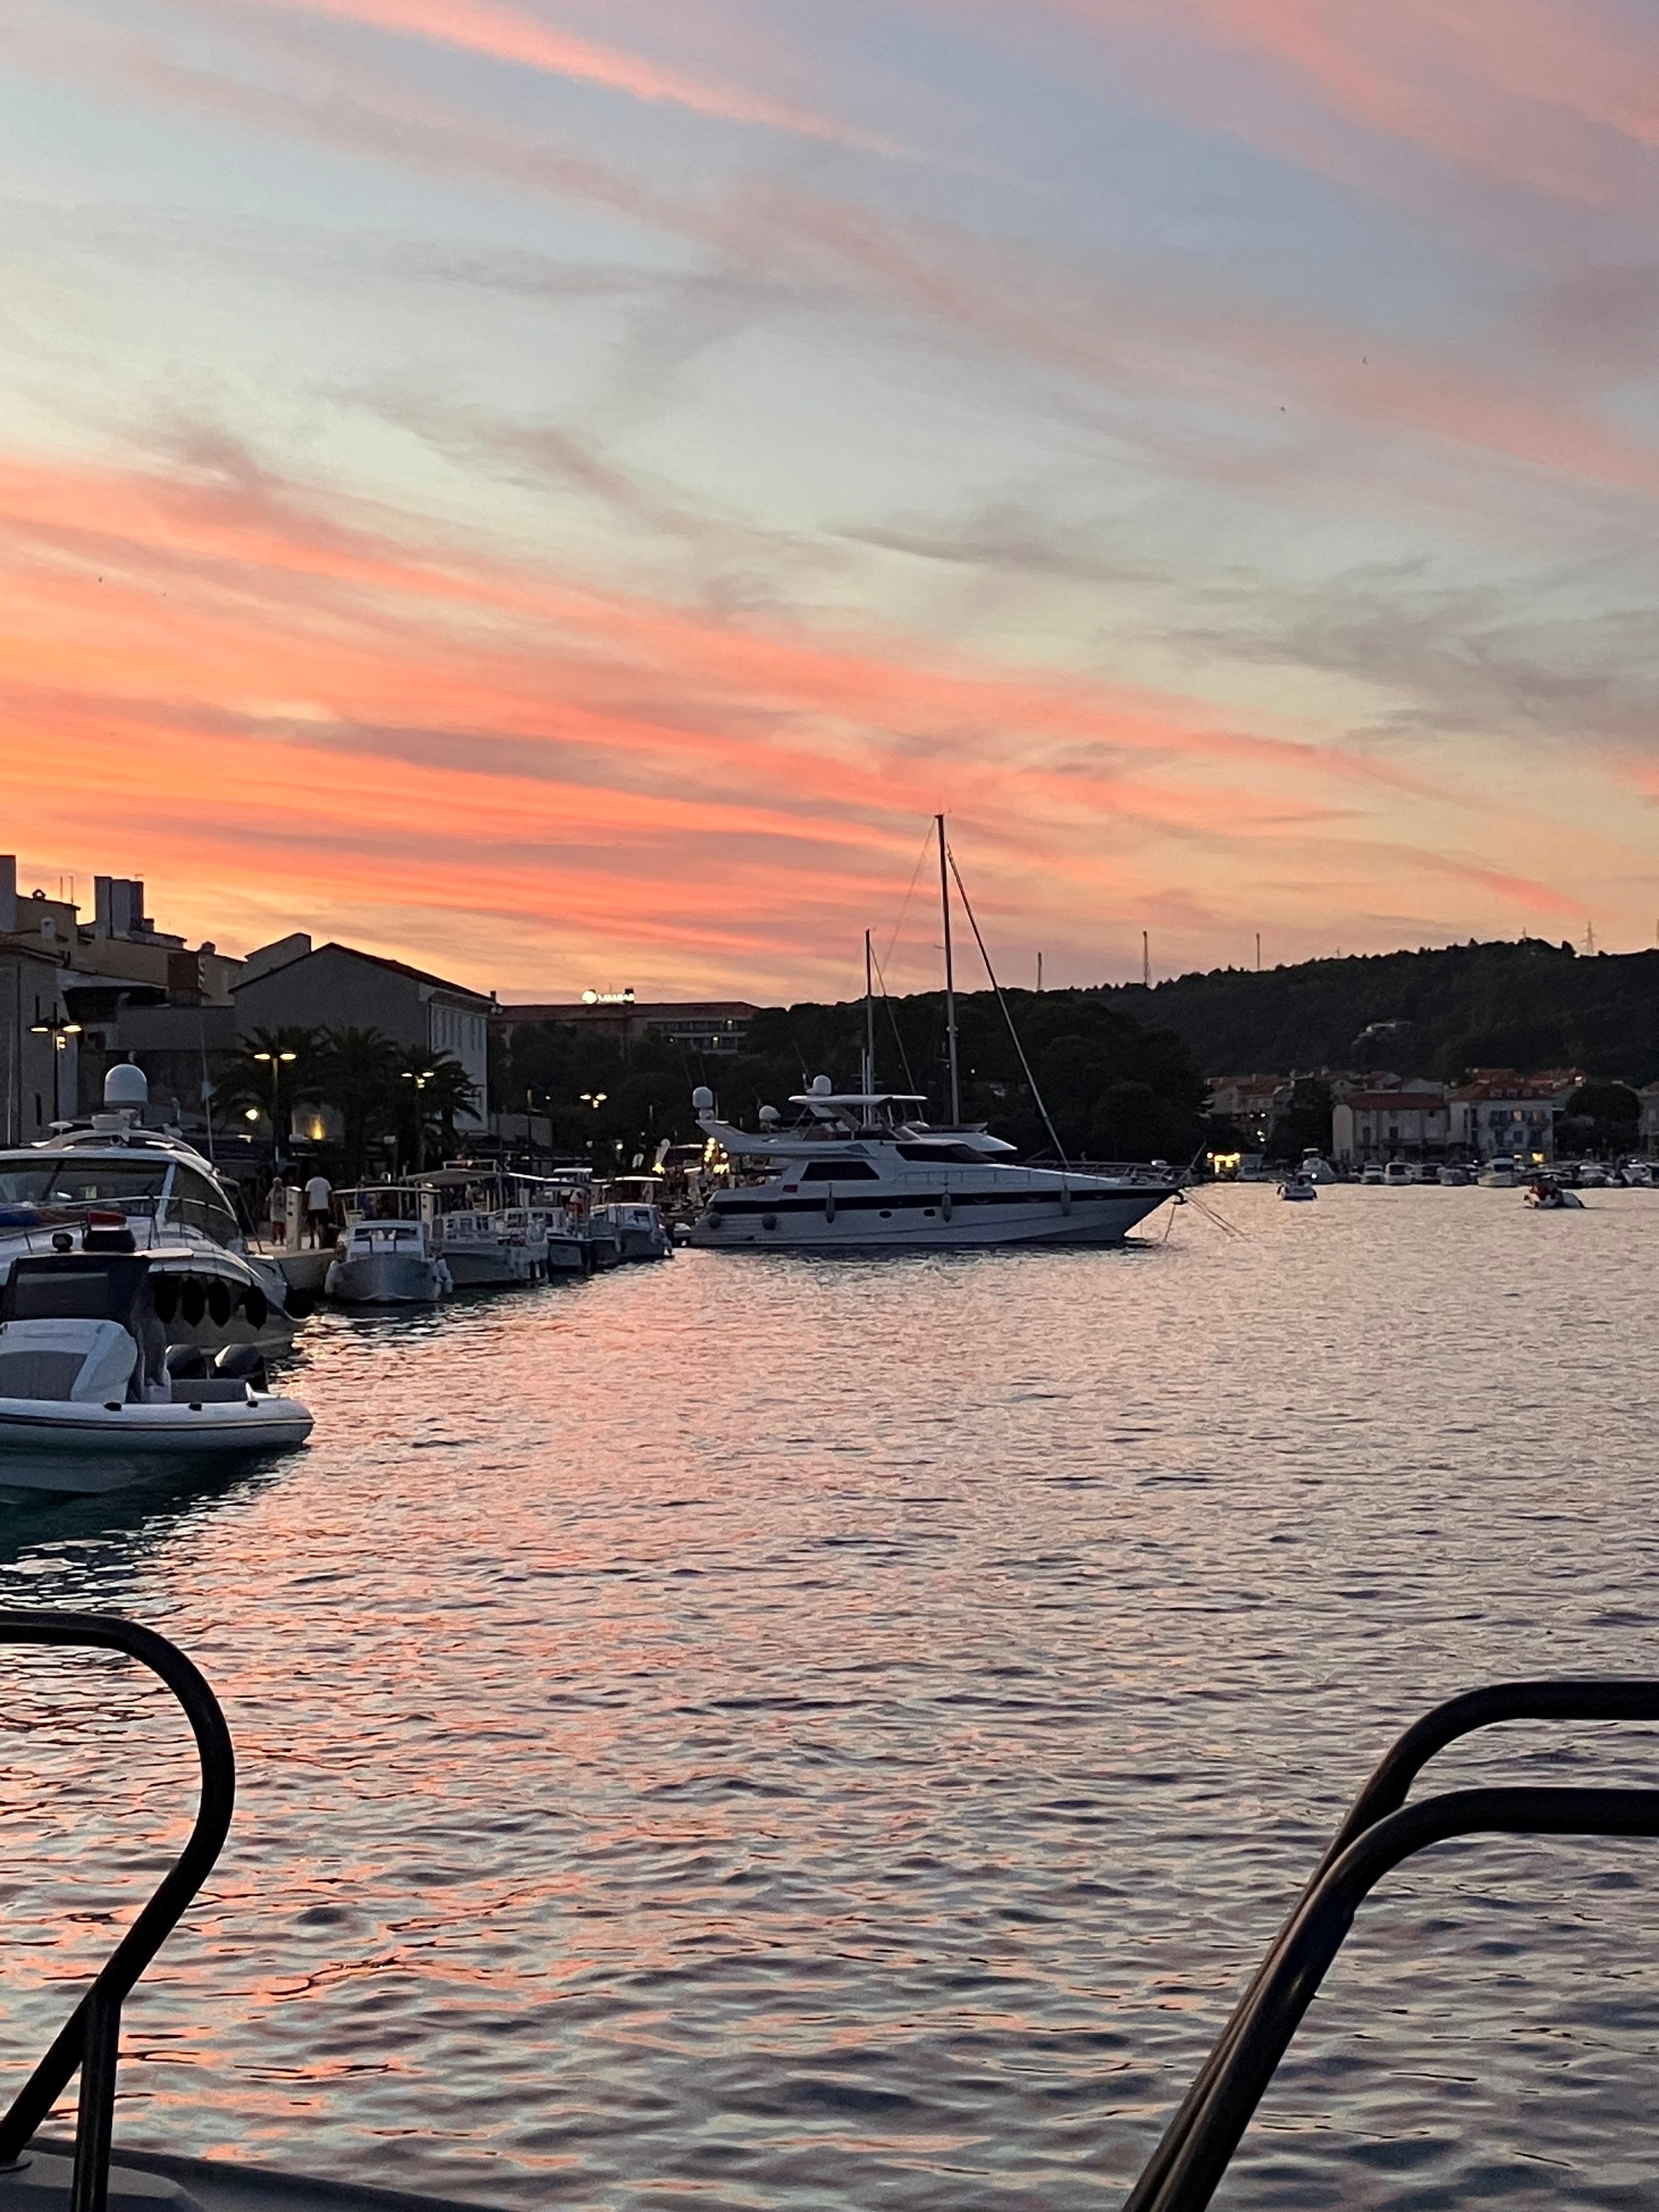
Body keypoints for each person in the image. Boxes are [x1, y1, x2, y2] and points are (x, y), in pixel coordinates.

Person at [304, 1170, 333, 1248]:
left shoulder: (310, 1183)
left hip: (312, 1206)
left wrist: (305, 1207)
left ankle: (312, 1241)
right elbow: (330, 1195)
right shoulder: (326, 1182)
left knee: (311, 1225)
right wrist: (331, 1206)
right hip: (324, 1206)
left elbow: (307, 1195)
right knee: (323, 1224)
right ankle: (322, 1241)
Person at [267, 1175, 290, 1248]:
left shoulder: (284, 1191)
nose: (276, 1185)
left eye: (278, 1183)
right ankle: (274, 1239)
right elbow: (268, 1199)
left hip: (282, 1210)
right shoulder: (272, 1191)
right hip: (274, 1210)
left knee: (282, 1225)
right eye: (275, 1183)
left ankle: (282, 1239)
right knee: (274, 1225)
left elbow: (287, 1199)